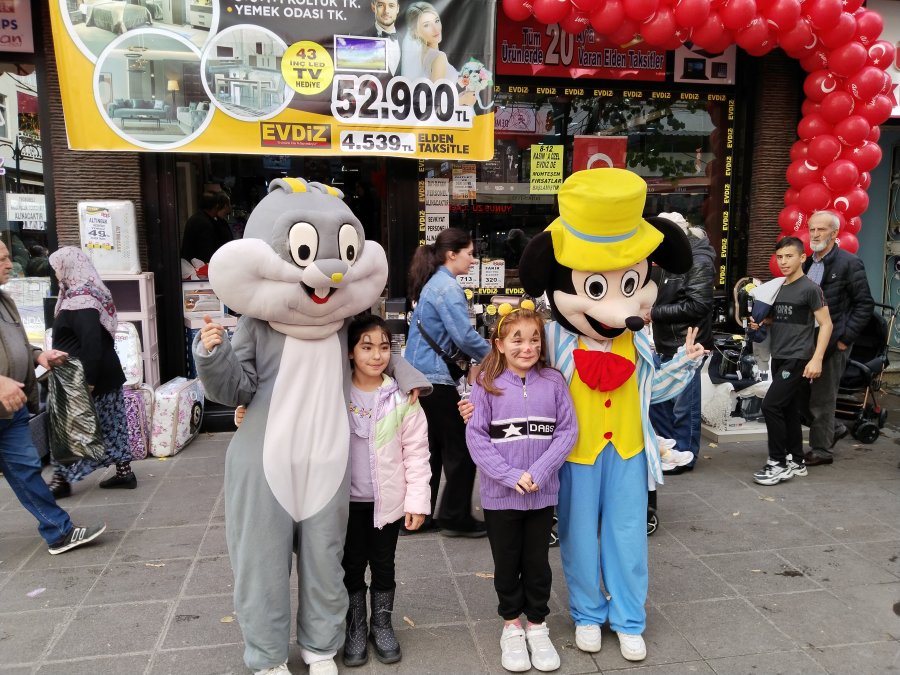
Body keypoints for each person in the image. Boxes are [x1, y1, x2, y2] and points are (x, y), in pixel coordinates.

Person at [465, 302, 577, 673]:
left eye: (534, 339)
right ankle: (511, 625)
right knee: (507, 562)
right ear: (499, 344)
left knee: (537, 563)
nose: (526, 347)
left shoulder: (554, 381)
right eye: (517, 340)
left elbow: (567, 431)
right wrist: (509, 474)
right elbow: (477, 437)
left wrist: (540, 470)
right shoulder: (486, 384)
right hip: (501, 496)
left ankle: (537, 625)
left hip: (541, 494)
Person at [0, 241, 106, 555]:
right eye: (2, 259)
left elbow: (16, 343)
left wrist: (39, 355)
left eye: (8, 257)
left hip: (12, 408)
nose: (10, 264)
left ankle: (59, 532)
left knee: (27, 469)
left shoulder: (5, 300)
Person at [341, 315, 430, 667]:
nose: (376, 355)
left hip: (387, 503)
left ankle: (381, 624)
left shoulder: (402, 397)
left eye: (383, 348)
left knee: (383, 565)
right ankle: (356, 627)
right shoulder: (335, 391)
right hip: (346, 503)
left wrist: (417, 502)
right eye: (366, 347)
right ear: (351, 352)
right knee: (350, 566)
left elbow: (417, 453)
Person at [404, 227, 489, 537]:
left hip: (420, 376)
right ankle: (455, 516)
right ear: (452, 254)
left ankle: (421, 515)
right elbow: (464, 336)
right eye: (469, 253)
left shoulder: (434, 283)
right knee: (462, 448)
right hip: (434, 379)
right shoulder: (447, 287)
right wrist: (498, 356)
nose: (473, 259)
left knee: (432, 449)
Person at [45, 247, 136, 498]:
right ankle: (124, 472)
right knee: (112, 424)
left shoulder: (80, 301)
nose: (55, 274)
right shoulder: (90, 294)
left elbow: (91, 343)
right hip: (104, 374)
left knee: (68, 428)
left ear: (68, 267)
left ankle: (61, 480)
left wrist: (88, 382)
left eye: (56, 268)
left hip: (85, 378)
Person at [750, 236, 831, 486]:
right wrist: (763, 322)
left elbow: (826, 324)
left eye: (789, 256)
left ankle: (778, 463)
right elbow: (784, 318)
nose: (783, 261)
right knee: (789, 410)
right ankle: (796, 460)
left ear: (802, 257)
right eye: (780, 257)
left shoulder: (810, 289)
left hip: (798, 358)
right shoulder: (778, 287)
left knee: (770, 406)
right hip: (779, 355)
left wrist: (816, 359)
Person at [802, 210, 874, 466]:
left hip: (834, 341)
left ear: (834, 234)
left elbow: (864, 304)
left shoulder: (849, 263)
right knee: (799, 393)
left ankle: (821, 450)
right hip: (807, 339)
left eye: (821, 229)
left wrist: (845, 339)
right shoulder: (808, 262)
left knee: (822, 397)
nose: (815, 234)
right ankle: (833, 428)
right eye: (812, 229)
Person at [647, 212, 715, 473]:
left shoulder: (698, 259)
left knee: (684, 406)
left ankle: (685, 454)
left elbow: (698, 304)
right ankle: (671, 451)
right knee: (658, 400)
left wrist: (653, 313)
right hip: (664, 340)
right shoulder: (670, 257)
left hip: (687, 343)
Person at [403, 2, 477, 105]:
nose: (435, 29)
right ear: (417, 31)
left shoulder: (419, 56)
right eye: (426, 25)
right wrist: (463, 100)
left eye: (436, 21)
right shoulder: (438, 57)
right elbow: (435, 104)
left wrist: (458, 96)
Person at [180, 191, 235, 265]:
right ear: (216, 206)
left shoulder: (197, 218)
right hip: (198, 266)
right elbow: (206, 252)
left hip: (190, 264)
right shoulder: (204, 223)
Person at [369, 0, 402, 77]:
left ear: (397, 9)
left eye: (391, 6)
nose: (386, 11)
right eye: (381, 5)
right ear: (373, 7)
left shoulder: (409, 41)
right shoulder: (361, 39)